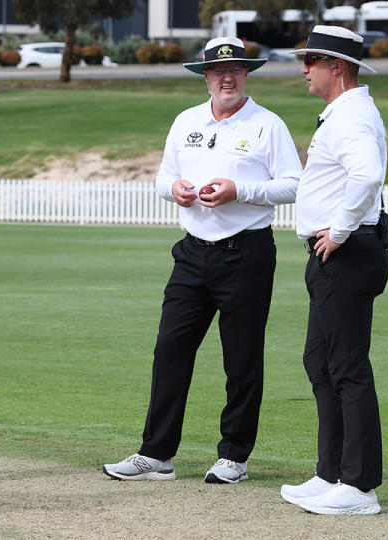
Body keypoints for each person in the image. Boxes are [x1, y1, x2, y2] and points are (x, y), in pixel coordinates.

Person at [102, 37, 301, 484]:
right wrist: (173, 190)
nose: (226, 78)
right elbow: (164, 176)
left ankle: (234, 455)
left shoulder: (268, 125)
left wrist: (239, 190)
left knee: (242, 358)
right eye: (217, 71)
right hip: (192, 251)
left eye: (234, 70)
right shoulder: (186, 120)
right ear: (205, 76)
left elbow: (293, 184)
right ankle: (156, 454)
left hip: (245, 251)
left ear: (247, 74)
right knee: (170, 350)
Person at [281, 25, 388, 515]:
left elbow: (367, 174)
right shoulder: (343, 113)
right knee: (320, 362)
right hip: (333, 256)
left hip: (344, 254)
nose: (303, 69)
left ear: (337, 67)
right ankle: (331, 472)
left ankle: (359, 486)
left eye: (312, 61)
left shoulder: (351, 116)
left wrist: (340, 230)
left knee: (346, 366)